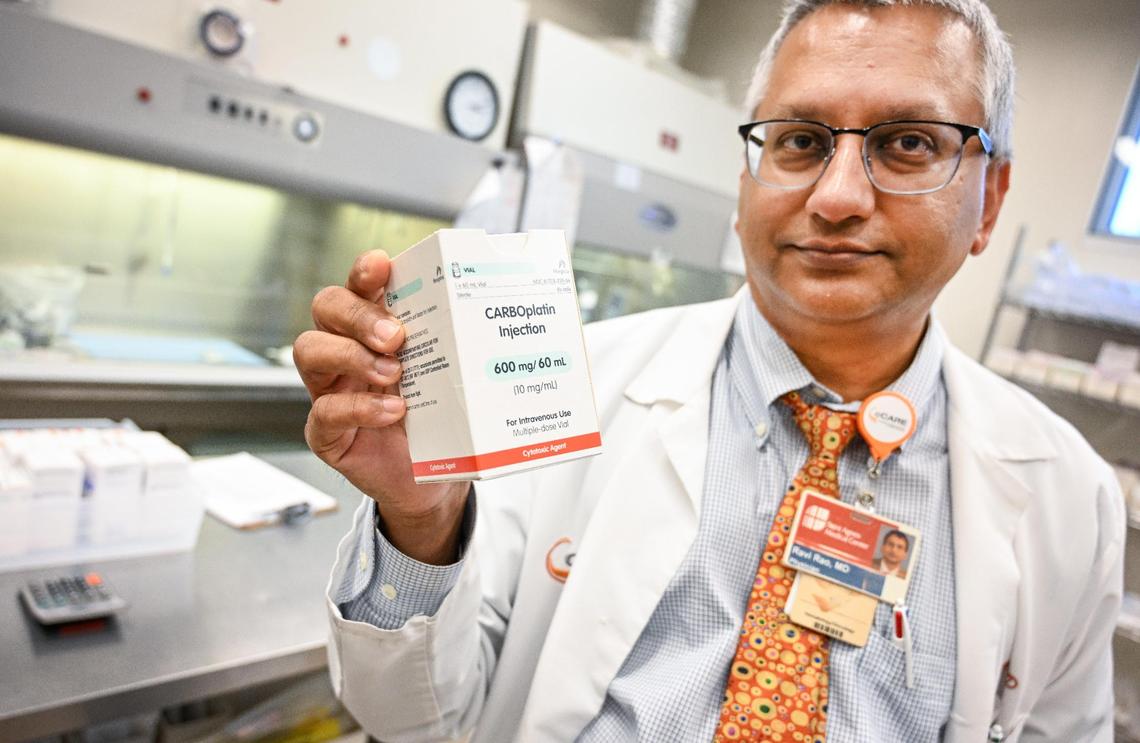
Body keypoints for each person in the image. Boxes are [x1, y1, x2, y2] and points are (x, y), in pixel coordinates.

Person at [294, 1, 1125, 741]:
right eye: (801, 141)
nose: (836, 196)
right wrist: (420, 523)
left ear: (990, 199)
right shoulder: (561, 389)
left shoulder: (1069, 497)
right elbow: (418, 721)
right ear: (746, 179)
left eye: (907, 143)